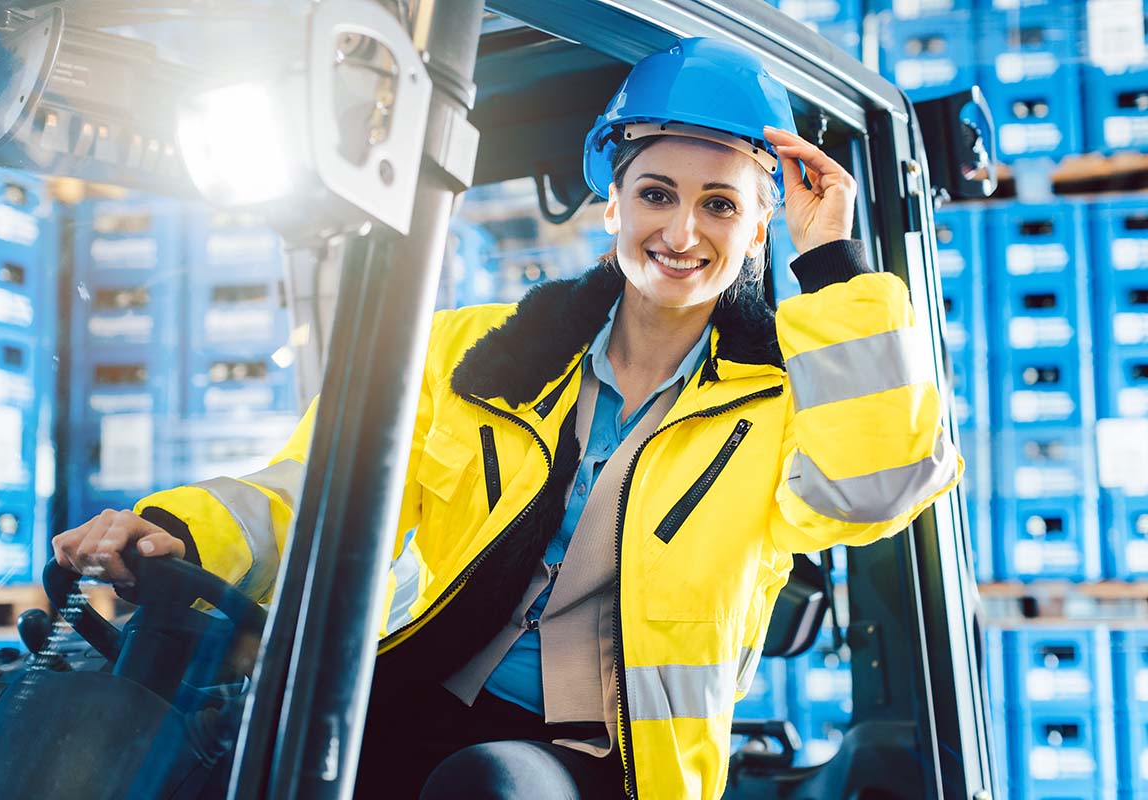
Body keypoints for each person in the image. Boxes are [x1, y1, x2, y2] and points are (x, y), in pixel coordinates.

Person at [53, 37, 962, 800]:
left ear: (759, 232)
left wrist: (835, 264)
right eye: (656, 194)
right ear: (612, 202)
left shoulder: (786, 403)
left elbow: (878, 484)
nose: (682, 231)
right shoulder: (476, 352)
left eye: (721, 205)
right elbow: (317, 492)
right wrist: (179, 529)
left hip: (604, 762)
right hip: (403, 693)